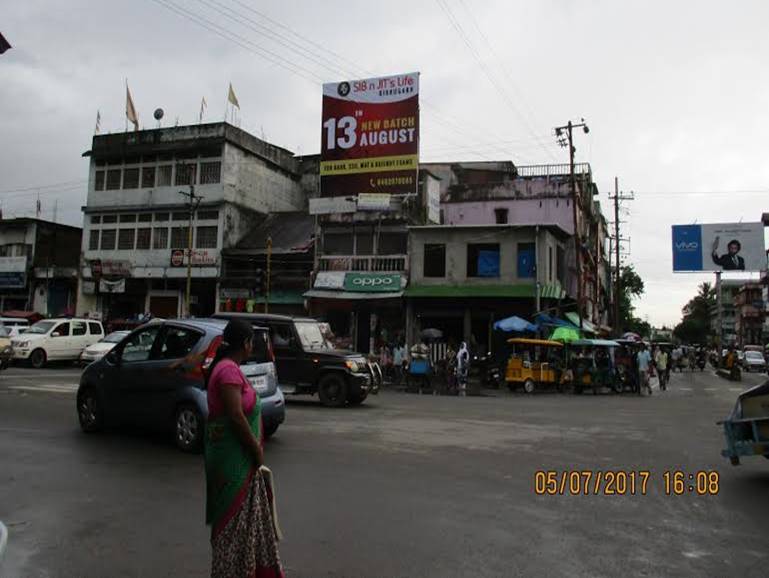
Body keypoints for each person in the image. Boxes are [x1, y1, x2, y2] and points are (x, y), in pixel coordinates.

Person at [204, 319, 284, 578]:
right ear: (246, 343)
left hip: (238, 459)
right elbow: (236, 416)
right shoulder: (228, 371)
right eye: (252, 342)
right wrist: (255, 449)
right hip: (233, 460)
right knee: (233, 524)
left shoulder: (231, 368)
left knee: (246, 526)